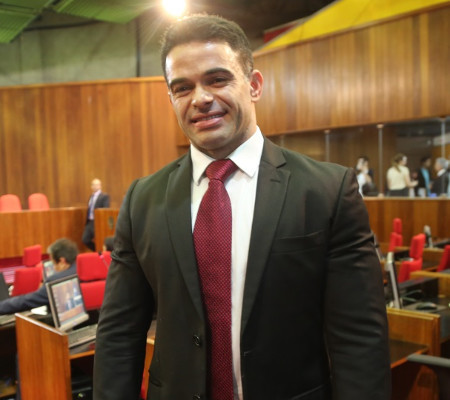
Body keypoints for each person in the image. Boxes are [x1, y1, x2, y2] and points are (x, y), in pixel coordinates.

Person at [94, 14, 390, 400]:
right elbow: (119, 335)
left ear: (254, 85)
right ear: (171, 99)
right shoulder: (142, 200)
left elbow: (360, 340)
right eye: (182, 88)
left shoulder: (327, 191)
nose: (200, 98)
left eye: (217, 79)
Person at [0, 238, 78, 315]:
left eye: (53, 263)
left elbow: (28, 301)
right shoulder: (79, 269)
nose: (53, 268)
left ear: (62, 261)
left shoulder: (56, 280)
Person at [81, 178, 110, 251]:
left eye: (97, 185)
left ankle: (99, 252)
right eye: (93, 185)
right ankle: (96, 251)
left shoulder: (104, 196)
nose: (95, 186)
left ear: (100, 186)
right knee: (85, 239)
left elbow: (105, 209)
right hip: (90, 221)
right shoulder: (91, 196)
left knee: (100, 240)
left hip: (98, 222)